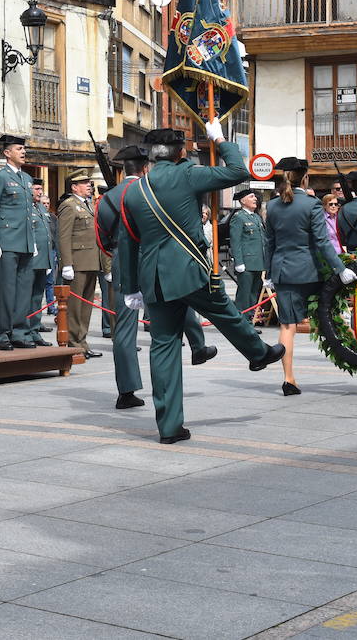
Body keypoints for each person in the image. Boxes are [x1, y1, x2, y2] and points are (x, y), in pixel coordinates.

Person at [119, 124, 284, 444]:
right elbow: (238, 170)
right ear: (180, 152)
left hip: (153, 277)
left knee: (163, 348)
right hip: (189, 270)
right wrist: (219, 139)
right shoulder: (189, 174)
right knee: (225, 312)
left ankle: (169, 427)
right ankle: (258, 353)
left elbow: (128, 242)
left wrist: (130, 287)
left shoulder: (135, 191)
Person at [263, 157, 349, 396]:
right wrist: (340, 268)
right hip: (310, 271)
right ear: (305, 178)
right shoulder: (311, 204)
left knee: (287, 326)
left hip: (283, 271)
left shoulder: (272, 206)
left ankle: (289, 378)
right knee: (328, 317)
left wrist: (269, 272)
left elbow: (269, 243)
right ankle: (354, 358)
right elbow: (322, 242)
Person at [97, 144, 151, 409]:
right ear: (145, 168)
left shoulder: (108, 197)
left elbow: (101, 237)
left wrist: (118, 248)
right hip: (153, 256)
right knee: (167, 318)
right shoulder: (151, 191)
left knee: (125, 328)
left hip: (123, 259)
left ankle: (126, 391)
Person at [0, 134, 37, 351]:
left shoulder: (26, 179)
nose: (23, 152)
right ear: (7, 153)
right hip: (6, 242)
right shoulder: (0, 177)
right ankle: (4, 334)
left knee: (24, 290)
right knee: (6, 290)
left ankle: (20, 331)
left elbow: (28, 213)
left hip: (24, 242)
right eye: (18, 149)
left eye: (23, 149)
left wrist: (32, 241)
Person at [58, 170, 103, 359]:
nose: (89, 186)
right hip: (77, 262)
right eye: (84, 183)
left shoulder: (89, 205)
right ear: (74, 187)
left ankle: (82, 341)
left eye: (89, 183)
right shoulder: (69, 205)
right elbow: (63, 236)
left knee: (86, 306)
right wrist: (66, 263)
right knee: (75, 306)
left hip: (91, 261)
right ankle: (74, 342)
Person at [23, 185, 56, 348]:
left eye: (41, 189)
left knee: (37, 297)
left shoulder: (41, 210)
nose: (40, 192)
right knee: (26, 297)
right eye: (36, 189)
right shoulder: (25, 208)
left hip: (43, 260)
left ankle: (34, 331)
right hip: (30, 260)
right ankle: (24, 332)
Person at [229, 190, 266, 317]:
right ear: (243, 201)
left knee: (253, 294)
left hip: (258, 262)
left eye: (255, 196)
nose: (255, 198)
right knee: (244, 295)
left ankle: (250, 321)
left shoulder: (256, 217)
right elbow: (235, 241)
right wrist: (239, 262)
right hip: (246, 262)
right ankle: (242, 322)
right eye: (251, 197)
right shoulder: (238, 217)